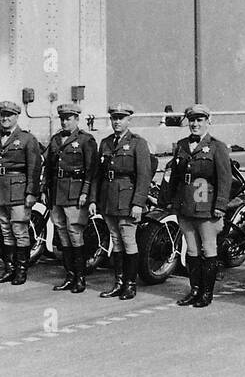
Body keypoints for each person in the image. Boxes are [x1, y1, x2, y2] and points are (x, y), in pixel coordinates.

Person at [164, 104, 232, 308]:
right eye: (192, 120)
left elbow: (224, 179)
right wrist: (170, 201)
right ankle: (194, 290)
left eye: (199, 120)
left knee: (208, 248)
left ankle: (206, 293)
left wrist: (220, 205)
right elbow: (174, 176)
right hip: (185, 206)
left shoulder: (217, 147)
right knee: (192, 249)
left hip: (207, 207)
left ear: (207, 121)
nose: (195, 124)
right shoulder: (182, 145)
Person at [91, 104, 152, 300]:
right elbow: (98, 175)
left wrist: (138, 203)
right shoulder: (106, 143)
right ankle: (118, 282)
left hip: (127, 199)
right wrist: (94, 199)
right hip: (109, 198)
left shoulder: (138, 143)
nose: (117, 121)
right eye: (114, 118)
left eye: (121, 118)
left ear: (129, 120)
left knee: (128, 241)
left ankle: (130, 284)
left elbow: (144, 175)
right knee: (115, 242)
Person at [0, 100, 42, 285]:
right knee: (5, 231)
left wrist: (31, 192)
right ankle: (9, 269)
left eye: (9, 115)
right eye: (2, 115)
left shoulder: (27, 139)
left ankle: (21, 271)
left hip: (18, 190)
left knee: (19, 230)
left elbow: (34, 167)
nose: (5, 118)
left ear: (17, 117)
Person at [44, 103, 98, 293]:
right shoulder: (55, 139)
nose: (65, 122)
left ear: (77, 119)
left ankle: (81, 277)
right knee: (62, 234)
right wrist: (45, 189)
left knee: (75, 233)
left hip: (76, 193)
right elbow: (49, 167)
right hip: (57, 192)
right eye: (62, 118)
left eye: (69, 118)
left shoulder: (86, 140)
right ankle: (70, 276)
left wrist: (86, 193)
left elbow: (91, 170)